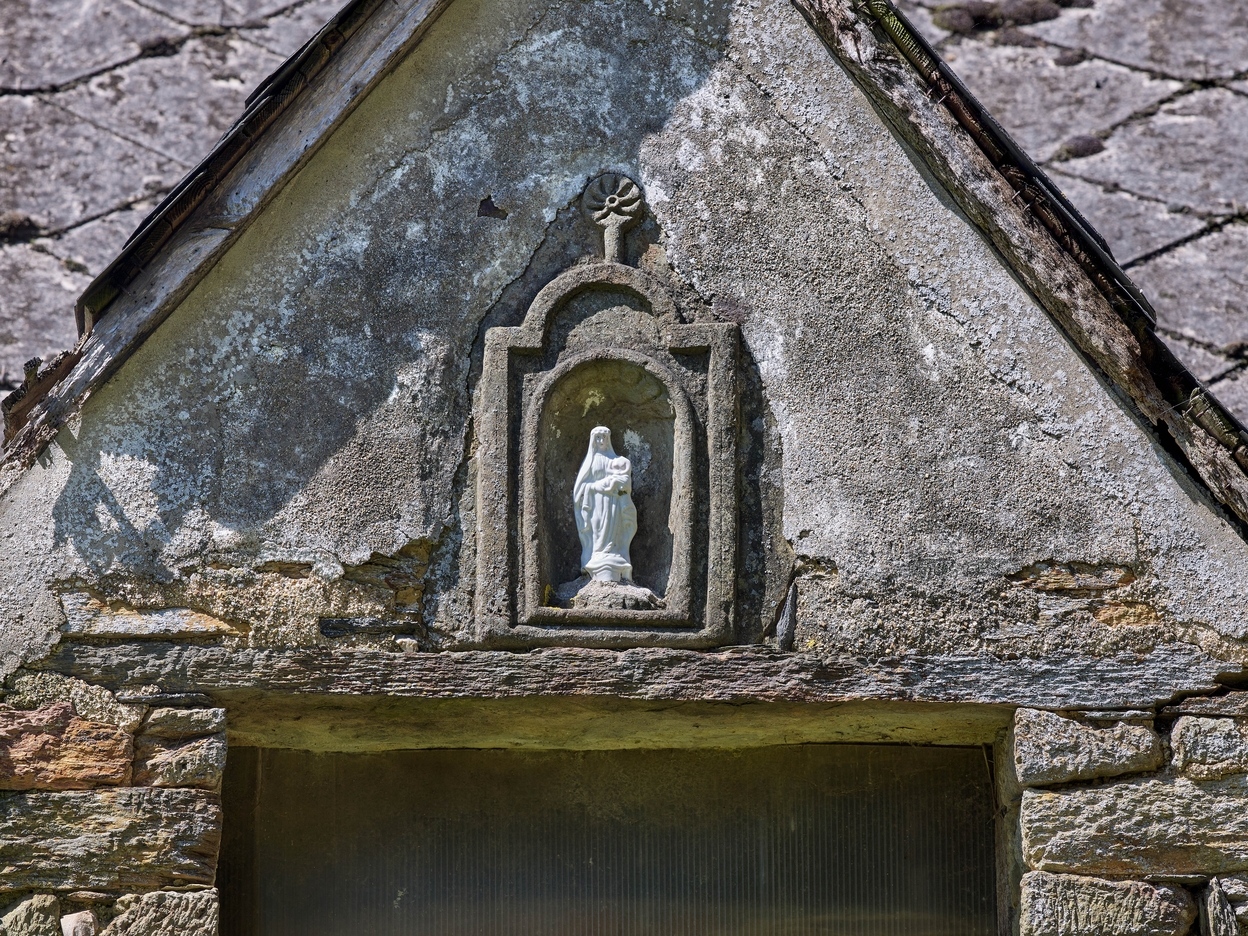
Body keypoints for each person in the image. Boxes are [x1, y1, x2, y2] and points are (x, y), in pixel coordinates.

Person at [572, 426, 638, 582]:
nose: (601, 441)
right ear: (593, 440)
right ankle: (597, 554)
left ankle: (613, 554)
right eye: (598, 438)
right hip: (595, 502)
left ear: (608, 439)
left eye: (604, 437)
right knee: (597, 527)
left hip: (613, 502)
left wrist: (615, 483)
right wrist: (597, 487)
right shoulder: (591, 461)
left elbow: (625, 483)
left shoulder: (617, 461)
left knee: (613, 528)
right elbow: (581, 486)